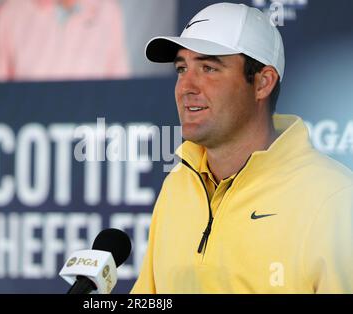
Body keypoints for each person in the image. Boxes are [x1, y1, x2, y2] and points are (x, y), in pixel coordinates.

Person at [131, 3, 353, 293]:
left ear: (263, 83)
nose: (186, 86)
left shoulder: (334, 198)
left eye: (208, 68)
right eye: (181, 69)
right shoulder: (177, 186)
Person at [0, 0, 130, 81]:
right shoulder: (10, 12)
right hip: (26, 134)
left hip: (90, 136)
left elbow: (119, 95)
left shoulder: (108, 12)